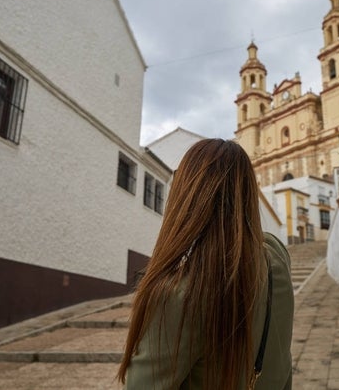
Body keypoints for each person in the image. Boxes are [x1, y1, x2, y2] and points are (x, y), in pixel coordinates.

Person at [117, 139, 294, 389]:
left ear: (187, 197)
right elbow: (283, 363)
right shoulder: (276, 256)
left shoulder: (181, 294)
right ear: (247, 193)